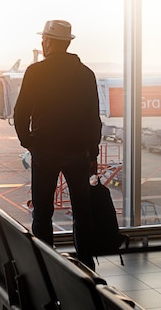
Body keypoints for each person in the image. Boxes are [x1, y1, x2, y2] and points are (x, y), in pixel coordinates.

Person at [13, 19, 102, 270]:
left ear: (49, 41)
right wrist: (92, 153)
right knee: (82, 213)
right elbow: (93, 118)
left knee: (42, 212)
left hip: (45, 151)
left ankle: (45, 264)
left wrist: (28, 142)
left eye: (43, 39)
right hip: (77, 153)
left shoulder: (36, 72)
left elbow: (21, 113)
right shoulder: (86, 74)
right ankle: (86, 264)